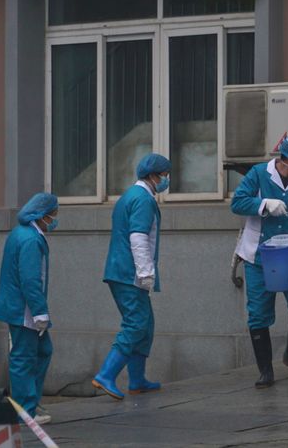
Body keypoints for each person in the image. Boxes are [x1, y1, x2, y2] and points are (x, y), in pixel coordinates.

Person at [231, 132, 288, 388]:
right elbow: (237, 203)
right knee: (258, 313)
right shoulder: (258, 174)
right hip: (258, 255)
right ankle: (265, 370)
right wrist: (263, 204)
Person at [92, 153, 171, 400]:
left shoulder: (131, 196)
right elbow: (138, 237)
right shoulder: (143, 200)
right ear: (153, 176)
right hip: (130, 273)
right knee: (136, 324)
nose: (166, 180)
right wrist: (146, 272)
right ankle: (106, 374)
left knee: (145, 325)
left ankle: (137, 380)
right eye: (164, 175)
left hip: (122, 271)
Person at [0, 192, 59, 425]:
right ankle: (25, 411)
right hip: (24, 310)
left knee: (42, 351)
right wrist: (40, 312)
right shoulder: (30, 239)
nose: (55, 219)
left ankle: (30, 401)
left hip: (20, 306)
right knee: (24, 356)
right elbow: (30, 279)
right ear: (43, 215)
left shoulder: (24, 234)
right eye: (54, 214)